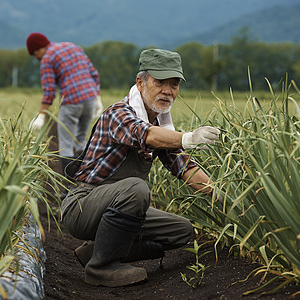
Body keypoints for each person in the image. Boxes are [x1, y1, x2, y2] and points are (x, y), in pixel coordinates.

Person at [60, 49, 222, 287]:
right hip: (82, 206)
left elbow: (183, 166)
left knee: (180, 230)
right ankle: (100, 267)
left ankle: (95, 253)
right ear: (140, 82)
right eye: (159, 82)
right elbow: (144, 135)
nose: (167, 91)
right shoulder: (118, 114)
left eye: (174, 84)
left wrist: (223, 196)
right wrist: (188, 138)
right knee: (136, 189)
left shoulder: (160, 124)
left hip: (117, 202)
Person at [26, 32, 102, 172]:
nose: (36, 57)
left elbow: (49, 90)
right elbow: (94, 73)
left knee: (65, 145)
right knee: (81, 140)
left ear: (38, 49)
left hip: (72, 101)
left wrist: (41, 115)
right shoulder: (73, 47)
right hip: (90, 98)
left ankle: (68, 183)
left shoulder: (47, 59)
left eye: (34, 54)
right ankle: (84, 177)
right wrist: (97, 97)